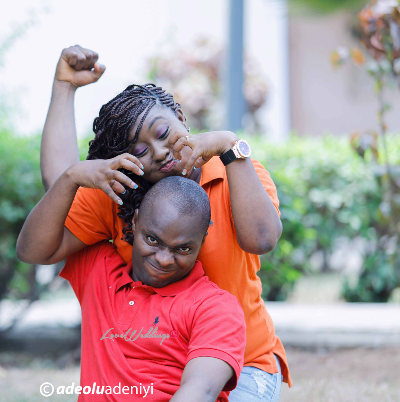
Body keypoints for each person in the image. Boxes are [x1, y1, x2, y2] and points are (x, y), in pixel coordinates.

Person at [29, 45, 290, 401]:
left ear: (180, 115)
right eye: (139, 150)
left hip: (241, 364)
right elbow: (60, 188)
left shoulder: (235, 175)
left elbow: (262, 239)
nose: (160, 152)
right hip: (157, 364)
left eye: (163, 132)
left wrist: (231, 147)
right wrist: (65, 86)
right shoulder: (124, 192)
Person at [17, 175, 246, 402]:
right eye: (153, 240)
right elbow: (31, 248)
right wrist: (71, 177)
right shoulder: (99, 270)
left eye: (183, 249)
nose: (164, 259)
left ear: (202, 241)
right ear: (134, 222)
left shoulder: (216, 308)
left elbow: (201, 391)